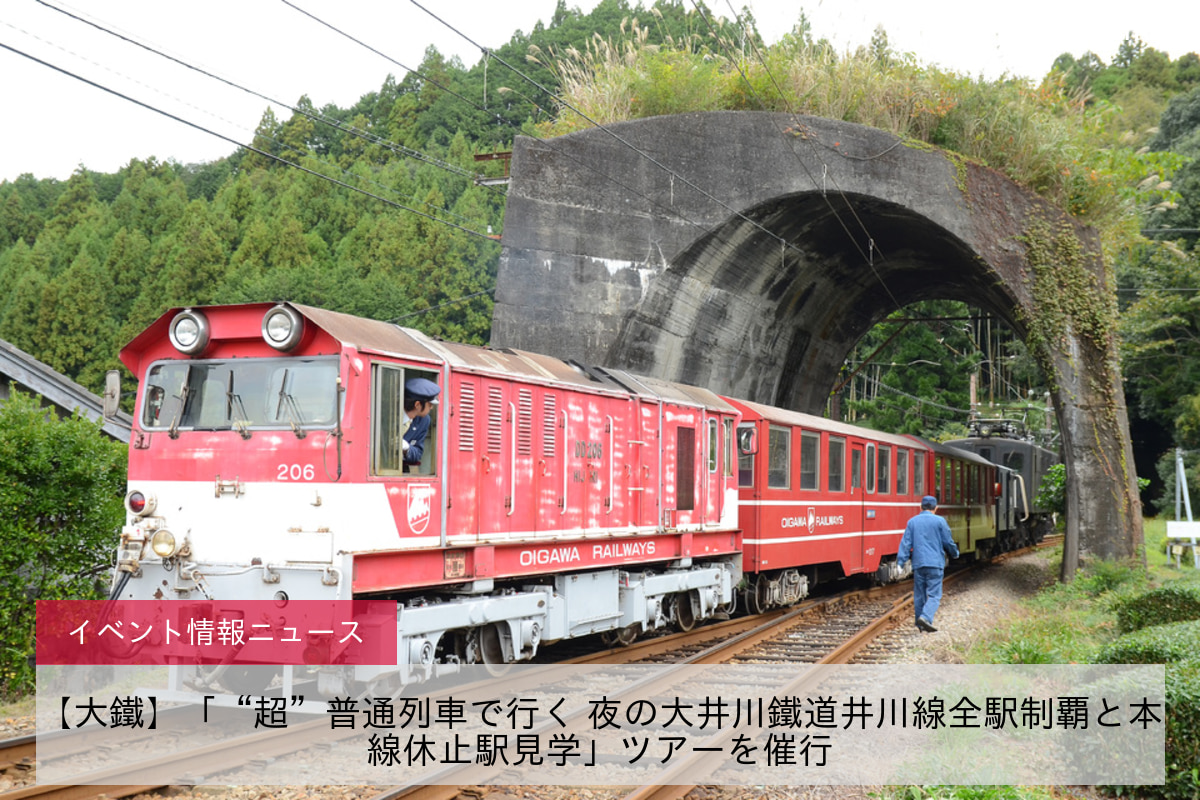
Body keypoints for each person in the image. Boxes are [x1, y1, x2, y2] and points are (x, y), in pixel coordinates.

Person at [896, 495, 959, 632]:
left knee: (919, 595)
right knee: (935, 595)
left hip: (919, 564)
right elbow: (948, 541)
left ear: (920, 507)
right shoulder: (940, 521)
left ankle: (920, 624)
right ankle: (925, 617)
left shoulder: (912, 522)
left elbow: (906, 544)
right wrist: (955, 553)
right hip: (935, 564)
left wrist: (901, 562)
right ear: (936, 508)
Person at [401, 377, 440, 472]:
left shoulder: (424, 420)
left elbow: (417, 454)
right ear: (417, 405)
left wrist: (406, 448)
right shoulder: (390, 413)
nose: (431, 408)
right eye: (429, 404)